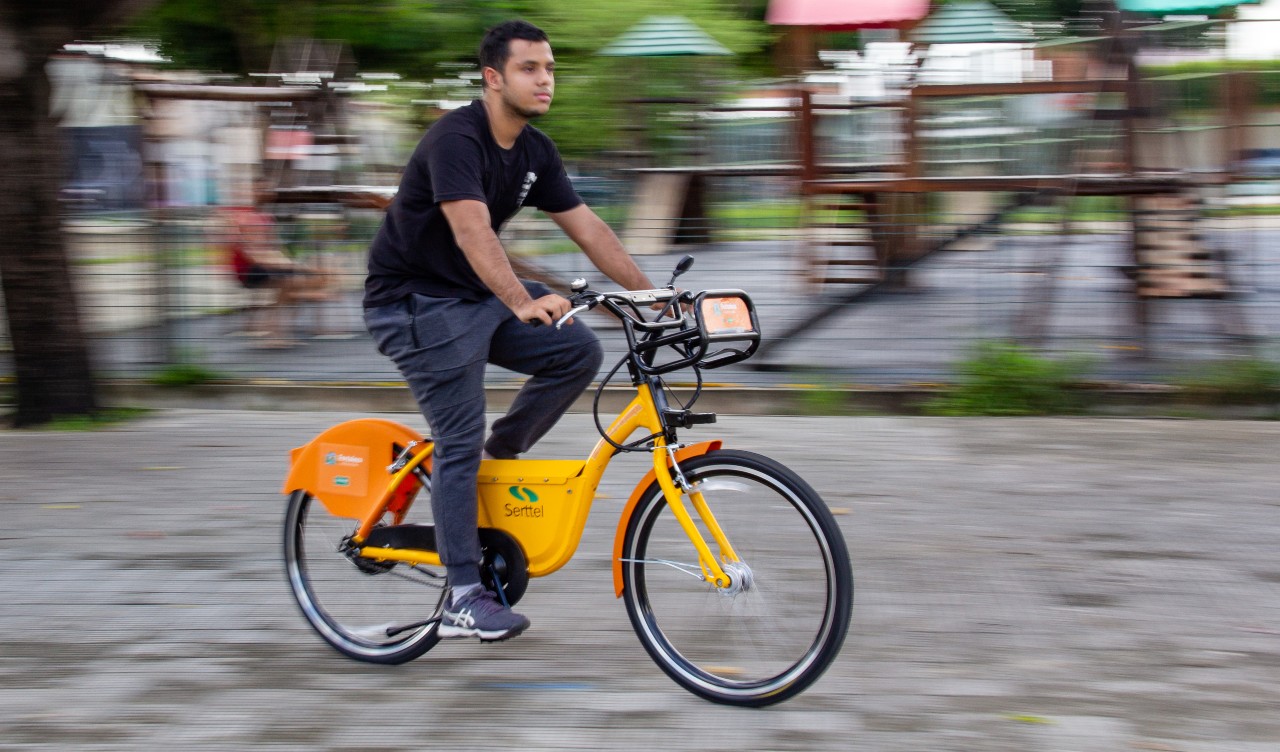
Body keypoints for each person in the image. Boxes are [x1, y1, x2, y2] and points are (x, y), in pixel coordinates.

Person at [363, 20, 656, 641]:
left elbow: (588, 227)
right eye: (529, 68)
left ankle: (497, 457)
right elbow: (472, 230)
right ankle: (462, 595)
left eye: (549, 68)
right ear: (493, 78)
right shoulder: (456, 139)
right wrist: (521, 299)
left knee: (575, 348)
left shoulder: (535, 150)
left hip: (472, 301)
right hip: (415, 304)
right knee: (456, 436)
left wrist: (649, 294)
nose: (545, 79)